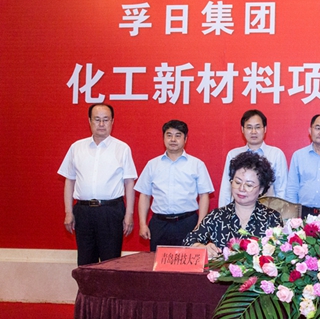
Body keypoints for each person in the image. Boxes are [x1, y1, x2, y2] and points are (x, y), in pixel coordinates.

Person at [58, 103, 137, 266]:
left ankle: (110, 285)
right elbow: (69, 180)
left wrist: (129, 214)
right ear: (89, 121)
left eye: (106, 120)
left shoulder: (122, 148)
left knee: (110, 263)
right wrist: (68, 212)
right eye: (97, 119)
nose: (101, 124)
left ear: (112, 121)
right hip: (83, 211)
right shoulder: (76, 147)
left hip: (111, 211)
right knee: (85, 263)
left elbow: (129, 183)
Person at [134, 120, 214, 251]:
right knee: (158, 261)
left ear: (185, 139)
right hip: (159, 224)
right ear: (163, 138)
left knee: (188, 261)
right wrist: (142, 224)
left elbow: (204, 196)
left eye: (178, 135)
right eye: (169, 135)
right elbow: (144, 195)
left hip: (187, 223)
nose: (173, 139)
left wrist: (200, 225)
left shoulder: (197, 164)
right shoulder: (152, 164)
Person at [184, 151, 282, 259]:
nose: (241, 189)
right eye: (237, 182)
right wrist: (200, 247)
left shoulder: (272, 218)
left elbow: (280, 253)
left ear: (261, 189)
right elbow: (188, 241)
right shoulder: (217, 216)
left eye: (249, 185)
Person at [218, 109, 287, 206]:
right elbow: (226, 189)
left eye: (257, 127)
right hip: (238, 210)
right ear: (242, 129)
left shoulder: (276, 154)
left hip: (267, 210)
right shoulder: (233, 154)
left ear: (265, 129)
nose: (253, 132)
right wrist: (223, 211)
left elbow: (281, 189)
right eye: (249, 127)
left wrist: (279, 212)